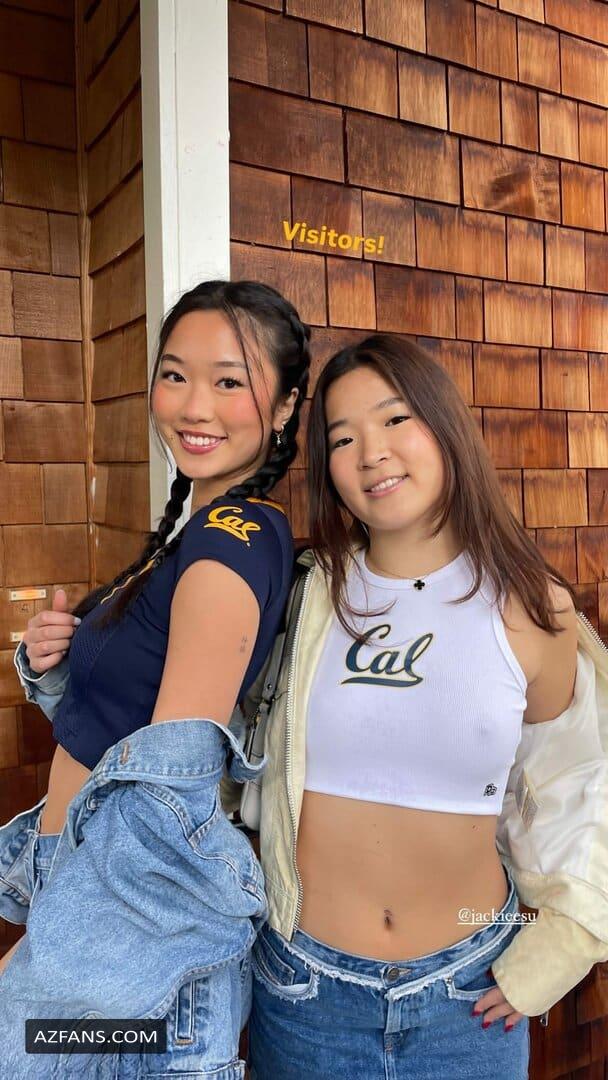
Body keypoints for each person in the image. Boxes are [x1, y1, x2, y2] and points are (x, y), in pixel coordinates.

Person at [246, 334, 608, 1079]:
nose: (371, 452)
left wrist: (557, 951)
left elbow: (579, 786)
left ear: (443, 427)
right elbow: (204, 726)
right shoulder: (302, 597)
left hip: (469, 994)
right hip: (305, 993)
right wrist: (66, 668)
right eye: (342, 438)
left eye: (394, 419)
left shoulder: (532, 605)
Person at [0, 279, 310, 1078]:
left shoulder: (229, 540)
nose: (194, 406)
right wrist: (66, 665)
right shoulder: (196, 534)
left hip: (128, 945)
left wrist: (40, 974)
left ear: (284, 407)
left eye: (230, 381)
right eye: (175, 375)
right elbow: (131, 730)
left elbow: (165, 798)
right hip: (104, 916)